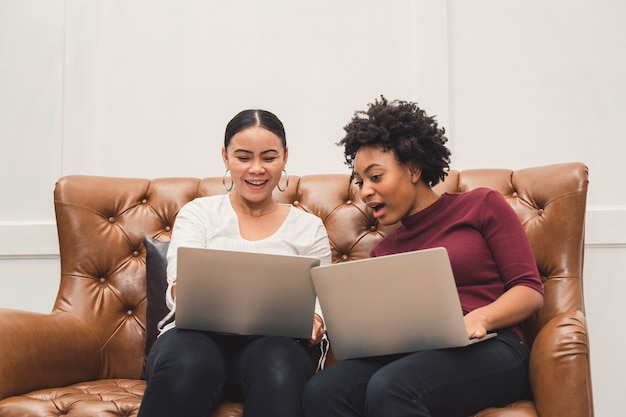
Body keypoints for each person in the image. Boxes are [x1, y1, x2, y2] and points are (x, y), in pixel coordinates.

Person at [303, 97, 544, 417]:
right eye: (360, 182)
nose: (364, 192)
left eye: (375, 177)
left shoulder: (481, 205)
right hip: (417, 354)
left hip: (493, 346)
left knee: (391, 386)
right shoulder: (383, 253)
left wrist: (480, 318)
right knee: (323, 391)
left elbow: (529, 290)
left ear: (413, 169)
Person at [138, 109, 332, 417]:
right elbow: (179, 288)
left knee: (279, 365)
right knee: (187, 364)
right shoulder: (198, 213)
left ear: (285, 158)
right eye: (243, 158)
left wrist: (317, 321)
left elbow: (322, 301)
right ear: (225, 157)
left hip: (274, 345)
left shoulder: (309, 227)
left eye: (269, 158)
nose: (256, 169)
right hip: (194, 339)